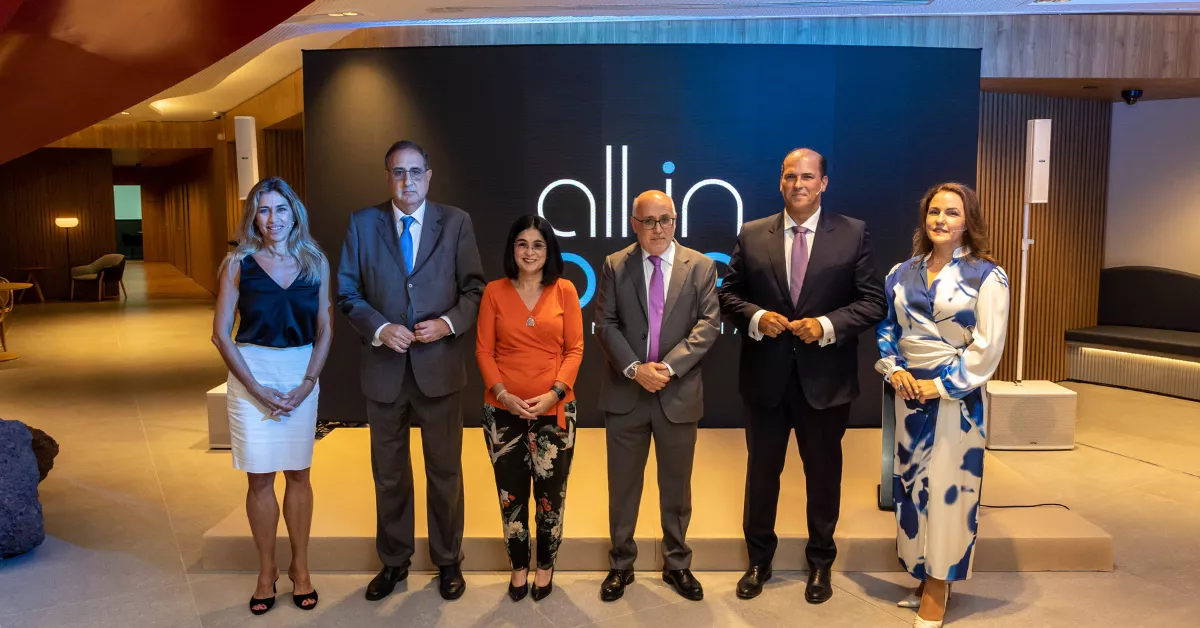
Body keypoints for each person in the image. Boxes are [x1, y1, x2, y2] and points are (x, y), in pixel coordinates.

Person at [718, 148, 887, 603]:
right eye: (790, 176)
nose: (799, 184)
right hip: (765, 381)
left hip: (826, 383)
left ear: (824, 183)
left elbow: (873, 301)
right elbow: (728, 294)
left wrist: (827, 325)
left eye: (808, 177)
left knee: (824, 476)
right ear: (780, 182)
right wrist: (756, 318)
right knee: (762, 475)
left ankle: (820, 564)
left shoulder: (853, 234)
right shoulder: (753, 234)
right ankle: (759, 561)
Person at [336, 140, 485, 601]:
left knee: (445, 471)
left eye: (415, 172)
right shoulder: (363, 224)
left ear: (429, 175)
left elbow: (474, 290)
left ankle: (447, 561)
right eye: (398, 173)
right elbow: (346, 291)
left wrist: (445, 324)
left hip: (439, 370)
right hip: (384, 371)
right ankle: (394, 561)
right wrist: (379, 328)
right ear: (387, 177)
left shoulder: (456, 222)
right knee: (389, 474)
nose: (407, 181)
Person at [876, 183, 1009, 628]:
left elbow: (988, 348)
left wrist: (942, 386)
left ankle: (939, 584)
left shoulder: (987, 276)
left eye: (952, 213)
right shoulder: (901, 272)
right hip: (908, 394)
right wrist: (894, 371)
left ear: (968, 220)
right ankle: (922, 571)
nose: (941, 220)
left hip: (957, 398)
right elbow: (886, 329)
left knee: (952, 491)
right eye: (934, 211)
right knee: (912, 486)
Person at [211, 176, 331, 615]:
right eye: (264, 210)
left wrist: (307, 382)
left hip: (301, 373)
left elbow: (324, 328)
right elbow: (221, 335)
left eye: (281, 209)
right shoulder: (237, 263)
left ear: (294, 213)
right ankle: (267, 572)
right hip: (251, 373)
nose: (273, 219)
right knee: (260, 478)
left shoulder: (316, 260)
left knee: (299, 474)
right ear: (253, 217)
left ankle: (301, 570)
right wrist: (255, 387)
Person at [594, 190, 720, 602]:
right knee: (623, 486)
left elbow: (708, 324)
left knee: (676, 488)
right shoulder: (615, 264)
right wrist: (635, 369)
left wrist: (667, 368)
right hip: (625, 393)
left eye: (665, 219)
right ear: (634, 224)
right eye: (648, 221)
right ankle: (621, 565)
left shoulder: (700, 266)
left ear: (675, 221)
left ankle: (677, 563)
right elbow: (606, 323)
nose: (657, 229)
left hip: (677, 392)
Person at [475, 215, 584, 602]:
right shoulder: (493, 292)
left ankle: (545, 568)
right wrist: (504, 396)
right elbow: (483, 351)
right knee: (511, 495)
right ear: (512, 249)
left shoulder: (565, 291)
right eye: (522, 244)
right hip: (502, 413)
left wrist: (554, 393)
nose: (530, 252)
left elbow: (575, 349)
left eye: (538, 244)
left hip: (554, 412)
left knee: (550, 496)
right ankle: (518, 567)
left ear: (549, 250)